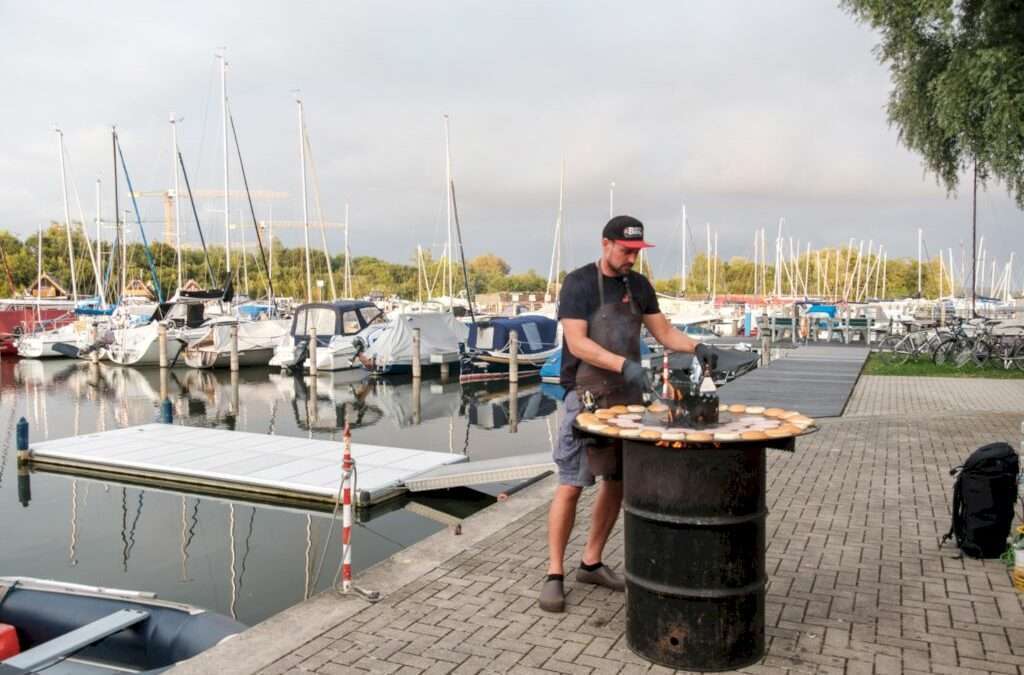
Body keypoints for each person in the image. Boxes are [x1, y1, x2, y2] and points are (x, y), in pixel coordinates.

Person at [539, 214, 720, 613]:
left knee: (617, 483)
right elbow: (579, 343)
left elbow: (664, 333)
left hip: (627, 400)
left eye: (637, 252)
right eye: (626, 250)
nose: (632, 259)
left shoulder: (638, 286)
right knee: (571, 484)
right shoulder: (579, 284)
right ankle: (554, 574)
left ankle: (591, 562)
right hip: (584, 397)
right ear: (605, 244)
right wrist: (625, 365)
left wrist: (697, 347)